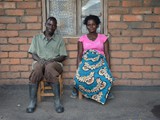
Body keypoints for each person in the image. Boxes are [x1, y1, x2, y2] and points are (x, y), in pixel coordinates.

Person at [26, 17, 67, 113]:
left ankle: (57, 102)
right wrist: (40, 60)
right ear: (45, 24)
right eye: (49, 24)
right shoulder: (36, 38)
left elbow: (63, 56)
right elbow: (33, 54)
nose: (51, 27)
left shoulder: (59, 39)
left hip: (55, 64)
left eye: (53, 25)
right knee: (37, 68)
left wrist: (52, 60)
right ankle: (32, 101)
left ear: (56, 27)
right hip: (40, 62)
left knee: (49, 67)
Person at [71, 15, 114, 104]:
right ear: (86, 26)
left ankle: (106, 92)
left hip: (100, 61)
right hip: (86, 61)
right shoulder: (82, 39)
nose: (91, 27)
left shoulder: (103, 38)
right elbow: (79, 54)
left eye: (93, 24)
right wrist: (78, 68)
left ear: (97, 25)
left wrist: (108, 68)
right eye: (89, 25)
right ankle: (76, 88)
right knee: (80, 77)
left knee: (106, 77)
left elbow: (107, 54)